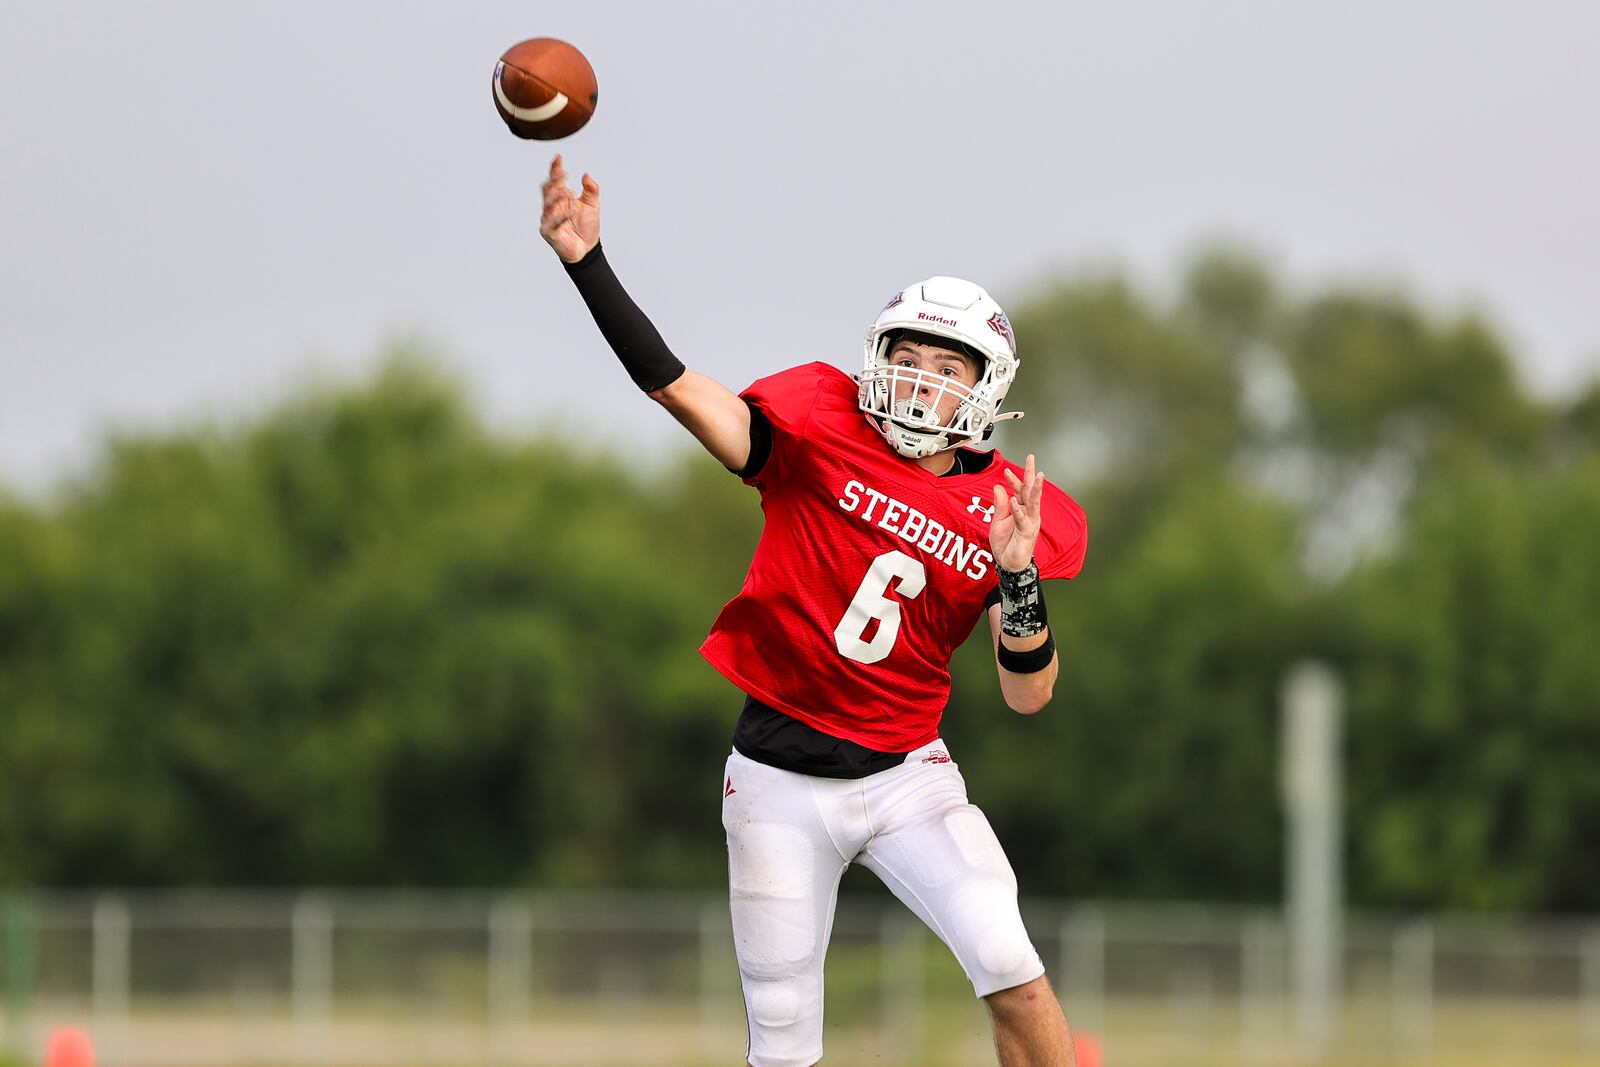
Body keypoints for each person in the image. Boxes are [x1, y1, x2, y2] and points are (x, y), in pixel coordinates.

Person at [539, 155, 1087, 1067]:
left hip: (909, 774)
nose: (918, 380)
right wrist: (588, 264)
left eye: (944, 366)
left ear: (985, 387)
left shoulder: (1007, 510)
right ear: (874, 359)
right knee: (784, 1042)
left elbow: (1029, 696)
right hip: (777, 774)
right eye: (904, 357)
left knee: (1011, 963)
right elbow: (679, 386)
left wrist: (1017, 576)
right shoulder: (818, 428)